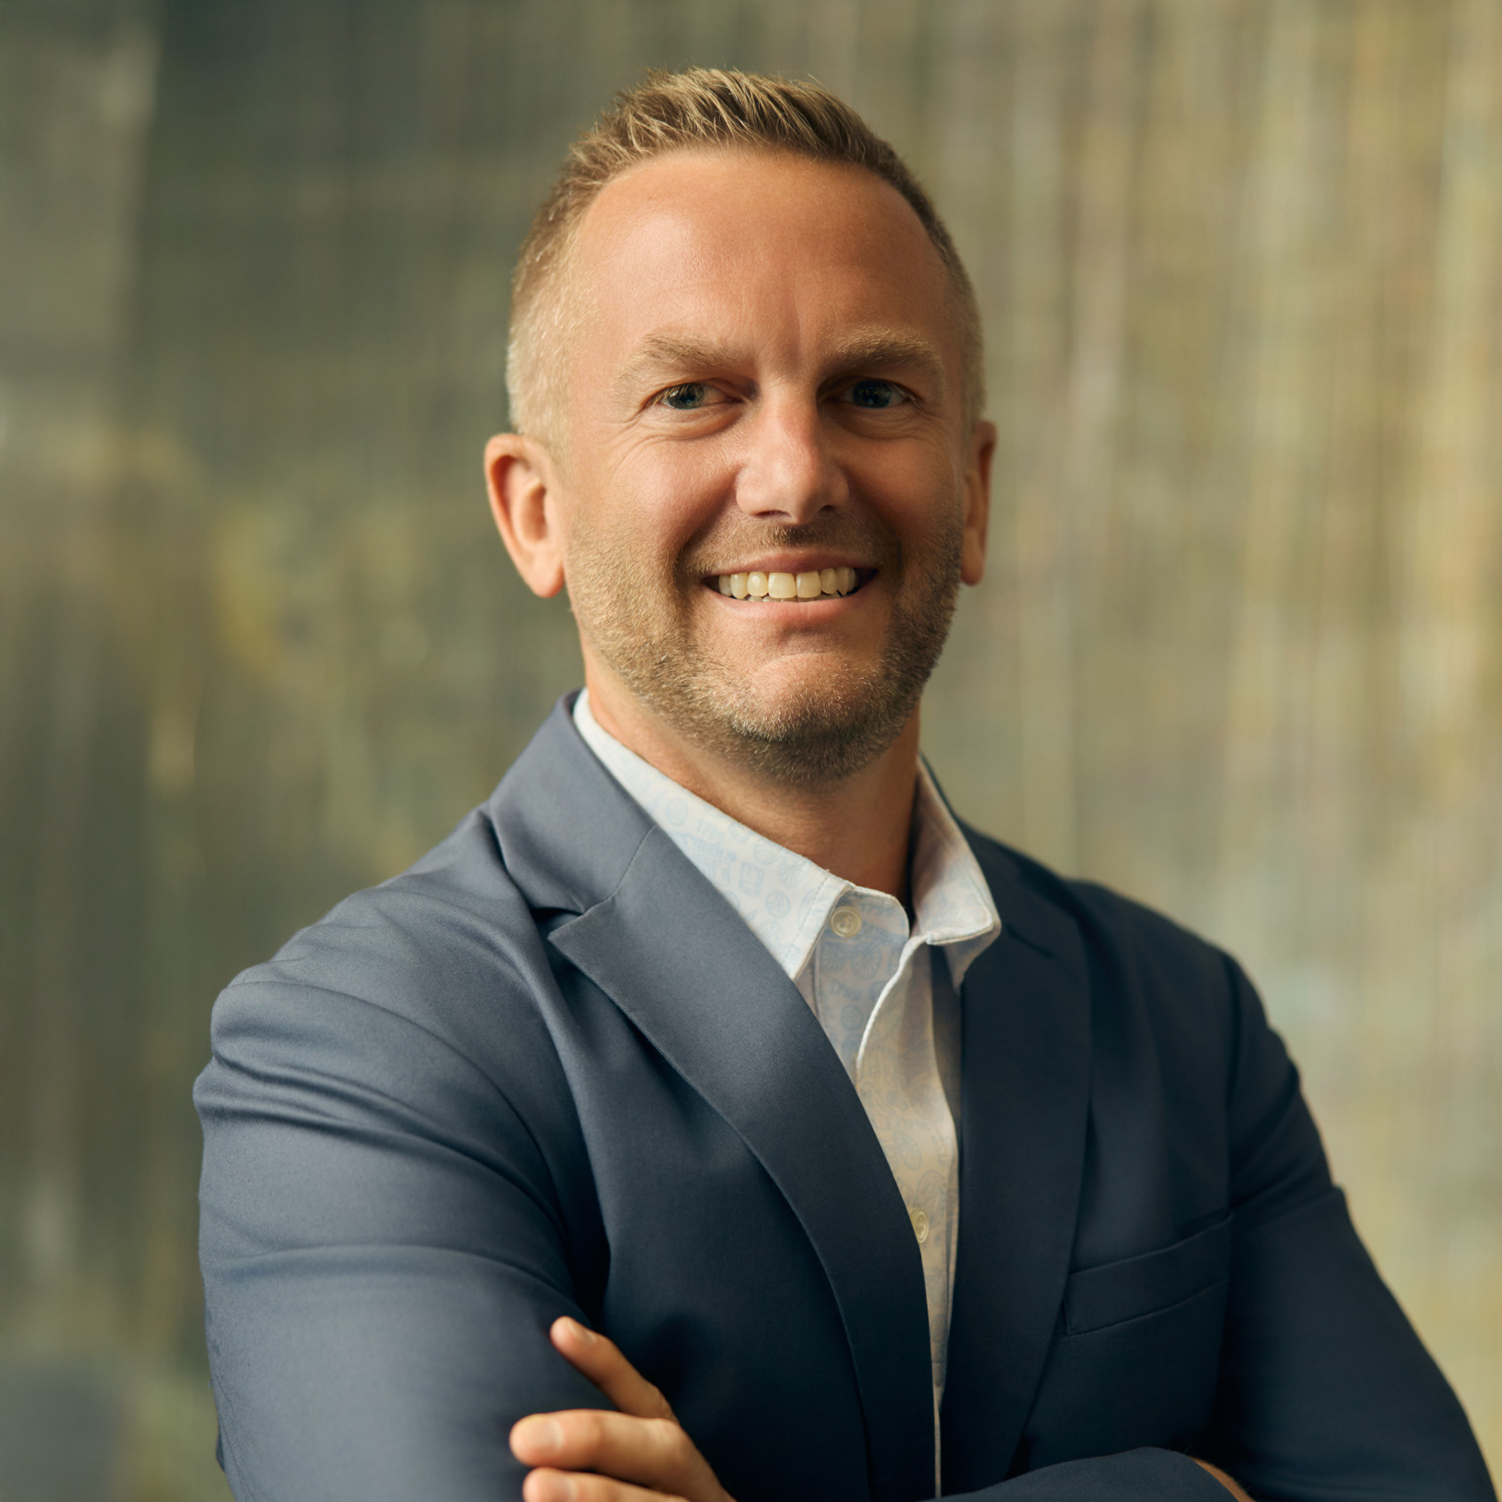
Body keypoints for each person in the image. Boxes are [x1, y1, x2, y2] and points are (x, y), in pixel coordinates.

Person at [193, 69, 1495, 1502]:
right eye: (693, 396)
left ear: (975, 490)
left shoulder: (1185, 1024)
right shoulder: (362, 1051)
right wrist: (1191, 1489)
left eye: (870, 392)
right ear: (535, 511)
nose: (795, 473)